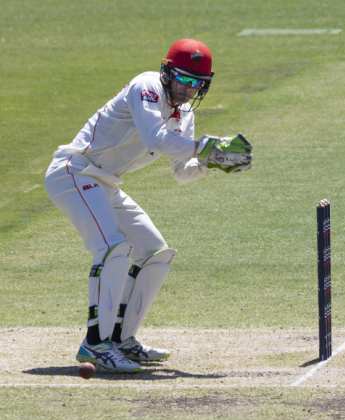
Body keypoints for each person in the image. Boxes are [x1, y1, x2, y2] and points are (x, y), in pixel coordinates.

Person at [44, 38, 252, 373]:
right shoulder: (146, 87)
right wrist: (204, 147)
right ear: (167, 73)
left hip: (106, 182)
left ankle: (122, 339)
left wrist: (210, 163)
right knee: (114, 248)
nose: (188, 89)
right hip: (74, 171)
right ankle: (95, 344)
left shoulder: (184, 115)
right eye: (183, 79)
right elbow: (157, 139)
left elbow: (182, 173)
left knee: (154, 251)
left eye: (196, 83)